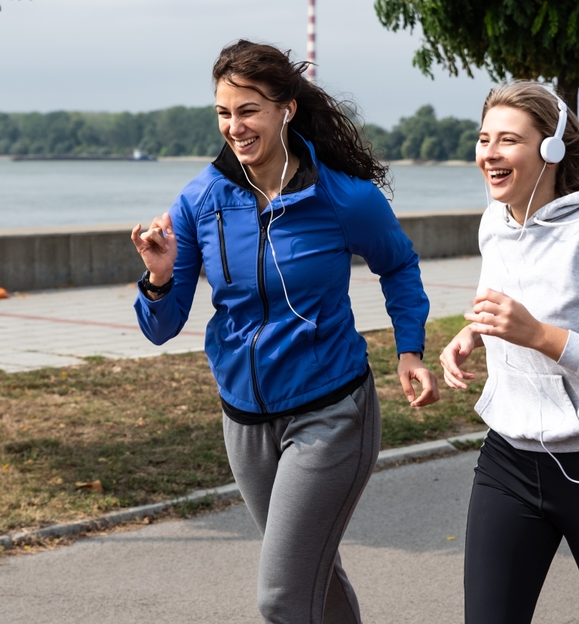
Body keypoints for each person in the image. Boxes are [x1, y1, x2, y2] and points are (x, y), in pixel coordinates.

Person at [131, 40, 439, 623]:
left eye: (248, 110)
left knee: (281, 597)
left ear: (285, 110)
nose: (235, 127)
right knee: (313, 579)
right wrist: (158, 277)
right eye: (224, 113)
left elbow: (398, 264)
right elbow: (162, 327)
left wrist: (409, 350)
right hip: (244, 419)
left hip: (331, 411)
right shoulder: (201, 201)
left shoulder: (342, 196)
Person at [440, 80, 579, 624]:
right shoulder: (495, 222)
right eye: (484, 139)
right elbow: (505, 305)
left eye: (508, 140)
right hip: (508, 463)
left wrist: (538, 335)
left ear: (550, 149)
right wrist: (474, 333)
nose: (490, 153)